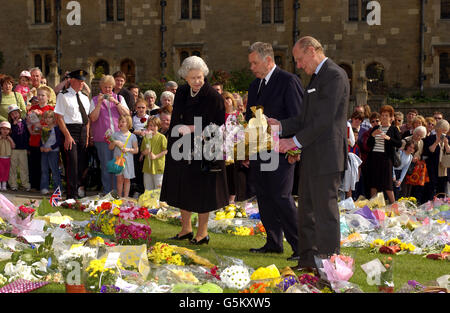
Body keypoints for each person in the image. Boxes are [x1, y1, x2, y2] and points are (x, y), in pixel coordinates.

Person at [268, 36, 348, 271]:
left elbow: (324, 119)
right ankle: (307, 261)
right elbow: (304, 119)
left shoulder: (334, 75)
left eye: (300, 59)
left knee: (325, 212)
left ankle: (328, 264)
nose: (299, 65)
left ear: (312, 51)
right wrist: (279, 125)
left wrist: (292, 141)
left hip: (328, 156)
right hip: (313, 156)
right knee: (306, 212)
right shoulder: (316, 77)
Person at [160, 55, 229, 245]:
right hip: (181, 146)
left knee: (202, 190)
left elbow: (218, 123)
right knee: (182, 187)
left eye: (200, 77)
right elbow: (176, 119)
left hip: (205, 148)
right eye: (193, 78)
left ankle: (202, 233)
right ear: (185, 77)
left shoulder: (212, 96)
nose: (197, 81)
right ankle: (186, 229)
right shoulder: (181, 92)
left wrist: (192, 128)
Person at [246, 41, 302, 261]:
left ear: (268, 61)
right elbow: (251, 120)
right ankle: (273, 242)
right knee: (264, 196)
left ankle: (300, 246)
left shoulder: (289, 81)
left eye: (254, 62)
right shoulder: (254, 85)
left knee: (281, 196)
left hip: (282, 151)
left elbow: (299, 118)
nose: (251, 67)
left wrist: (294, 146)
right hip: (259, 151)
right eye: (250, 63)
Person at [89, 74, 130, 195]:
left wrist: (116, 103)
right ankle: (107, 191)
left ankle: (118, 191)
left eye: (110, 87)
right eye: (105, 87)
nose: (108, 90)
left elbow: (127, 115)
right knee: (106, 165)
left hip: (119, 137)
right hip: (102, 138)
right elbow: (93, 117)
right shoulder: (95, 100)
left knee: (117, 165)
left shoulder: (119, 98)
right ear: (101, 87)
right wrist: (99, 104)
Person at [54, 70, 90, 200]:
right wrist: (67, 136)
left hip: (82, 131)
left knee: (82, 164)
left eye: (83, 81)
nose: (82, 83)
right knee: (72, 163)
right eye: (79, 81)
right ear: (72, 80)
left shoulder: (85, 97)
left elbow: (87, 118)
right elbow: (59, 117)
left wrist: (86, 135)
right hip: (69, 130)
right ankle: (71, 194)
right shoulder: (63, 96)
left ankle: (79, 189)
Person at [366, 105, 402, 204]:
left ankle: (394, 205)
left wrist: (388, 138)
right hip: (374, 158)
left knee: (388, 185)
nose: (384, 117)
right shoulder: (376, 128)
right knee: (374, 184)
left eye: (386, 115)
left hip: (386, 159)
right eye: (382, 115)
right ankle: (372, 206)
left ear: (391, 118)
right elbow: (368, 144)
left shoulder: (394, 129)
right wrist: (372, 136)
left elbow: (399, 143)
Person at [109, 114, 138, 198]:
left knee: (127, 179)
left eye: (123, 122)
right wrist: (114, 142)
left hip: (128, 161)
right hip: (118, 160)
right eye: (119, 122)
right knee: (119, 179)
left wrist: (128, 149)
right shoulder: (115, 135)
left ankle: (125, 197)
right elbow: (110, 148)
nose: (120, 123)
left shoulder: (132, 136)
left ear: (128, 123)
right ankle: (119, 196)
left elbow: (136, 150)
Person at [422, 119, 450, 202]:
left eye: (446, 130)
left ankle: (441, 205)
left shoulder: (448, 139)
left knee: (442, 188)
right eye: (442, 130)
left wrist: (446, 144)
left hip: (444, 168)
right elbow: (430, 151)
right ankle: (429, 204)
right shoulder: (430, 138)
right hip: (432, 167)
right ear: (438, 129)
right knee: (431, 187)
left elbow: (449, 152)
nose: (444, 132)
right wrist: (436, 142)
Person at [141, 116, 167, 191]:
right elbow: (142, 151)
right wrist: (144, 152)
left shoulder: (162, 137)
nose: (152, 127)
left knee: (158, 187)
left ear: (158, 127)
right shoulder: (146, 137)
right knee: (148, 187)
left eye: (155, 125)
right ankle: (149, 202)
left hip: (158, 166)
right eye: (150, 125)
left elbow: (165, 150)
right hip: (147, 167)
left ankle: (157, 202)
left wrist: (156, 156)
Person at [7, 104, 30, 191]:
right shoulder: (9, 124)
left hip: (23, 148)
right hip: (13, 150)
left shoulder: (24, 122)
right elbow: (8, 135)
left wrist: (28, 148)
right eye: (12, 114)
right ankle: (13, 184)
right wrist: (13, 125)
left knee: (24, 167)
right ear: (10, 116)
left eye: (16, 113)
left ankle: (25, 184)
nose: (14, 115)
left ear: (19, 113)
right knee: (13, 167)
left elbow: (27, 135)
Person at [40, 110, 63, 195]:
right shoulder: (44, 128)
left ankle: (58, 188)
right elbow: (42, 140)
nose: (47, 119)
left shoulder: (56, 128)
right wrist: (41, 146)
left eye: (50, 117)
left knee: (55, 170)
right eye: (46, 118)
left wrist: (51, 148)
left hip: (53, 151)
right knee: (44, 170)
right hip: (44, 152)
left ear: (53, 119)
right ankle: (44, 187)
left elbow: (59, 141)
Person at [130, 99, 149, 197]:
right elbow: (130, 129)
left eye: (143, 107)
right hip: (135, 143)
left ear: (146, 108)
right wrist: (139, 132)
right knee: (136, 166)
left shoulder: (149, 118)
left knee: (144, 167)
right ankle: (136, 188)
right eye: (139, 107)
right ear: (135, 108)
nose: (141, 109)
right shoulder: (132, 118)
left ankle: (144, 188)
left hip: (146, 144)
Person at [0, 121, 14, 190]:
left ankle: (4, 184)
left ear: (9, 130)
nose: (5, 131)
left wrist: (10, 140)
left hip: (7, 158)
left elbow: (13, 146)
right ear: (0, 130)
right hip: (0, 157)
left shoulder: (9, 138)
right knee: (0, 171)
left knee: (6, 171)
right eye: (3, 129)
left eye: (7, 129)